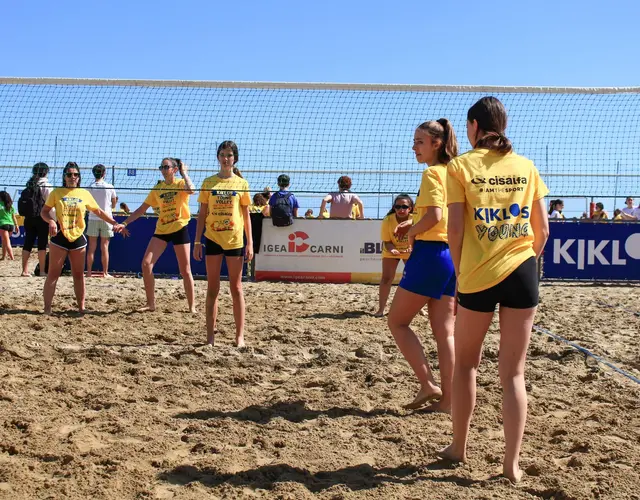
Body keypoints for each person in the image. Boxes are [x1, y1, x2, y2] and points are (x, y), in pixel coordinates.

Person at [439, 96, 550, 484]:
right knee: (513, 374)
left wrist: (460, 272)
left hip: (477, 275)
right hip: (522, 271)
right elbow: (543, 231)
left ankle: (458, 448)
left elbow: (454, 231)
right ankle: (511, 466)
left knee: (467, 365)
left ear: (473, 127)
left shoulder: (459, 166)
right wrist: (522, 263)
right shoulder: (526, 166)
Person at [388, 119, 459, 414]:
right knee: (445, 333)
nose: (414, 147)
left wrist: (412, 230)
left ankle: (428, 383)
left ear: (436, 144)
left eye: (419, 141)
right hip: (452, 256)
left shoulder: (431, 173)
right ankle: (449, 401)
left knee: (397, 321)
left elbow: (435, 217)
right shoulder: (455, 171)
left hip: (430, 254)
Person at [40, 162, 126, 314]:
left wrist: (114, 223)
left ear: (79, 177)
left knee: (78, 275)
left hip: (78, 238)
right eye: (69, 174)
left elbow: (98, 211)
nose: (73, 177)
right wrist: (51, 221)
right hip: (59, 237)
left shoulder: (84, 193)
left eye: (76, 174)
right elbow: (44, 212)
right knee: (53, 274)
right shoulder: (56, 193)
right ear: (64, 177)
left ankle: (81, 307)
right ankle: (47, 309)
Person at [194, 141, 253, 347]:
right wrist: (197, 241)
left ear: (234, 158)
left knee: (236, 288)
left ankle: (239, 337)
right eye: (222, 154)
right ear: (218, 157)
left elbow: (246, 216)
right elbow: (202, 214)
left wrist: (250, 243)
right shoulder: (209, 182)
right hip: (212, 238)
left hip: (235, 240)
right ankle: (210, 337)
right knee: (213, 288)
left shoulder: (241, 184)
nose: (226, 158)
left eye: (229, 155)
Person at [122, 158, 196, 313]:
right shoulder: (158, 189)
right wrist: (125, 223)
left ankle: (192, 307)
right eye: (161, 167)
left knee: (185, 270)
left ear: (174, 170)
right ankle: (151, 304)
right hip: (162, 230)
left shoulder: (181, 184)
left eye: (166, 167)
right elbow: (142, 209)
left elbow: (192, 190)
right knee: (146, 264)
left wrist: (185, 173)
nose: (163, 169)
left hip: (179, 228)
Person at [374, 194, 413, 317]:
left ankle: (417, 308)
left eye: (404, 206)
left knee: (413, 280)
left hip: (410, 250)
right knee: (386, 278)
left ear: (410, 208)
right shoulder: (388, 220)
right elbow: (387, 242)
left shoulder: (415, 219)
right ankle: (381, 309)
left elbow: (420, 238)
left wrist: (412, 247)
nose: (401, 209)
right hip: (392, 250)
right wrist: (393, 250)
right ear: (394, 208)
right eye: (397, 206)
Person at [20, 162, 53, 276]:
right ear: (46, 172)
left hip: (29, 218)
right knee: (42, 245)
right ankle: (43, 271)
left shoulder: (29, 185)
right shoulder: (46, 186)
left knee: (27, 243)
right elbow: (51, 204)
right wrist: (53, 219)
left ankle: (24, 271)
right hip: (42, 218)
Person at [86, 164, 118, 277]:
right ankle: (105, 272)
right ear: (104, 173)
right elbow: (114, 202)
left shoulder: (89, 187)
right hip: (107, 219)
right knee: (105, 247)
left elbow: (87, 205)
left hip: (92, 218)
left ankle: (89, 272)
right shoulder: (109, 186)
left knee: (91, 247)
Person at [0, 191, 20, 260]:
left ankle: (12, 258)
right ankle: (3, 256)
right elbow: (14, 217)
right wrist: (16, 225)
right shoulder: (10, 206)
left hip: (3, 224)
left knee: (7, 242)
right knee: (4, 241)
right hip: (11, 225)